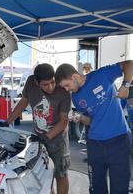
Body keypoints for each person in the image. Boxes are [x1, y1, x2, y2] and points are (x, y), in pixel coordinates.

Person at [55, 60, 133, 194]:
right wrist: (80, 118)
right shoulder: (76, 97)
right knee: (96, 188)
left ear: (74, 77)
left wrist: (125, 85)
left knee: (119, 188)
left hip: (118, 140)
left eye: (66, 85)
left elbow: (129, 64)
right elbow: (91, 120)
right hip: (95, 144)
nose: (67, 90)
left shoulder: (101, 75)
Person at [6, 63, 71, 194]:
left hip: (58, 139)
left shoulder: (63, 91)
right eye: (45, 85)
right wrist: (7, 122)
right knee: (44, 173)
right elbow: (23, 102)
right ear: (36, 82)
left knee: (61, 173)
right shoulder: (30, 82)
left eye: (52, 82)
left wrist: (47, 137)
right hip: (39, 136)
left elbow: (64, 121)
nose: (51, 87)